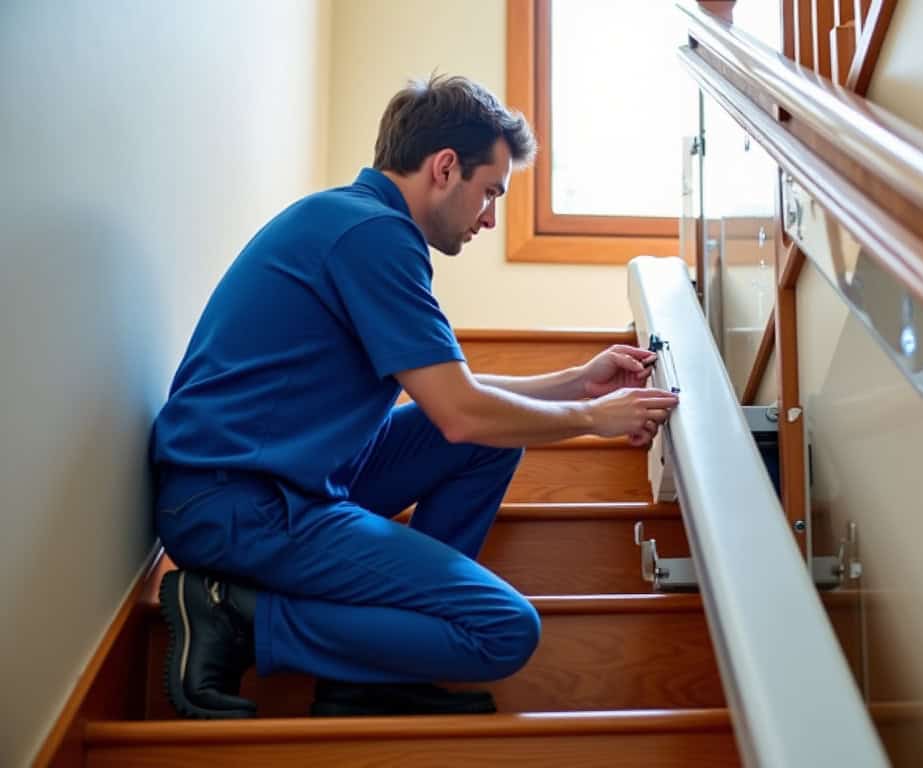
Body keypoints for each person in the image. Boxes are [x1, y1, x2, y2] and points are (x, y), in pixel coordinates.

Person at [149, 74, 679, 719]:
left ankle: (373, 669)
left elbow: (455, 400)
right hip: (238, 505)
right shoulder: (373, 237)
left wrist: (573, 382)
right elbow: (459, 413)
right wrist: (591, 419)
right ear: (445, 167)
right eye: (490, 193)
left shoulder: (353, 222)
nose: (489, 217)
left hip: (283, 484)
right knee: (504, 630)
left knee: (492, 442)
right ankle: (235, 616)